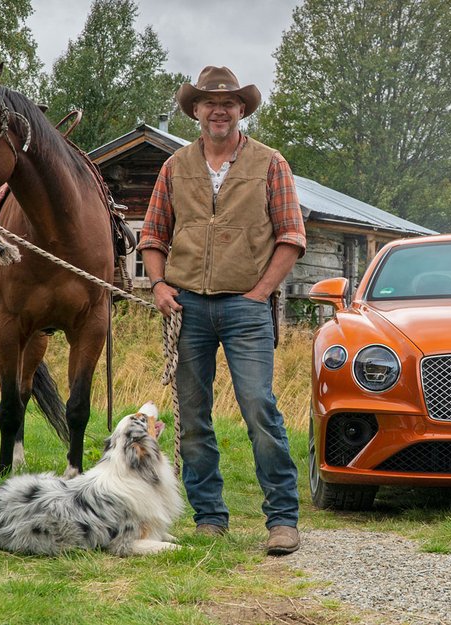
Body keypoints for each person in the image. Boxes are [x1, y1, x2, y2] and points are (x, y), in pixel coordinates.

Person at [138, 66, 305, 556]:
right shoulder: (175, 167)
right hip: (186, 307)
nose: (218, 110)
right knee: (192, 417)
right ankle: (210, 517)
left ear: (241, 111)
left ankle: (282, 519)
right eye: (209, 103)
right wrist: (160, 284)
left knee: (259, 408)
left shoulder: (270, 163)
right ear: (195, 111)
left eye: (228, 103)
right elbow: (153, 236)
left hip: (246, 309)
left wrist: (261, 293)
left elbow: (291, 236)